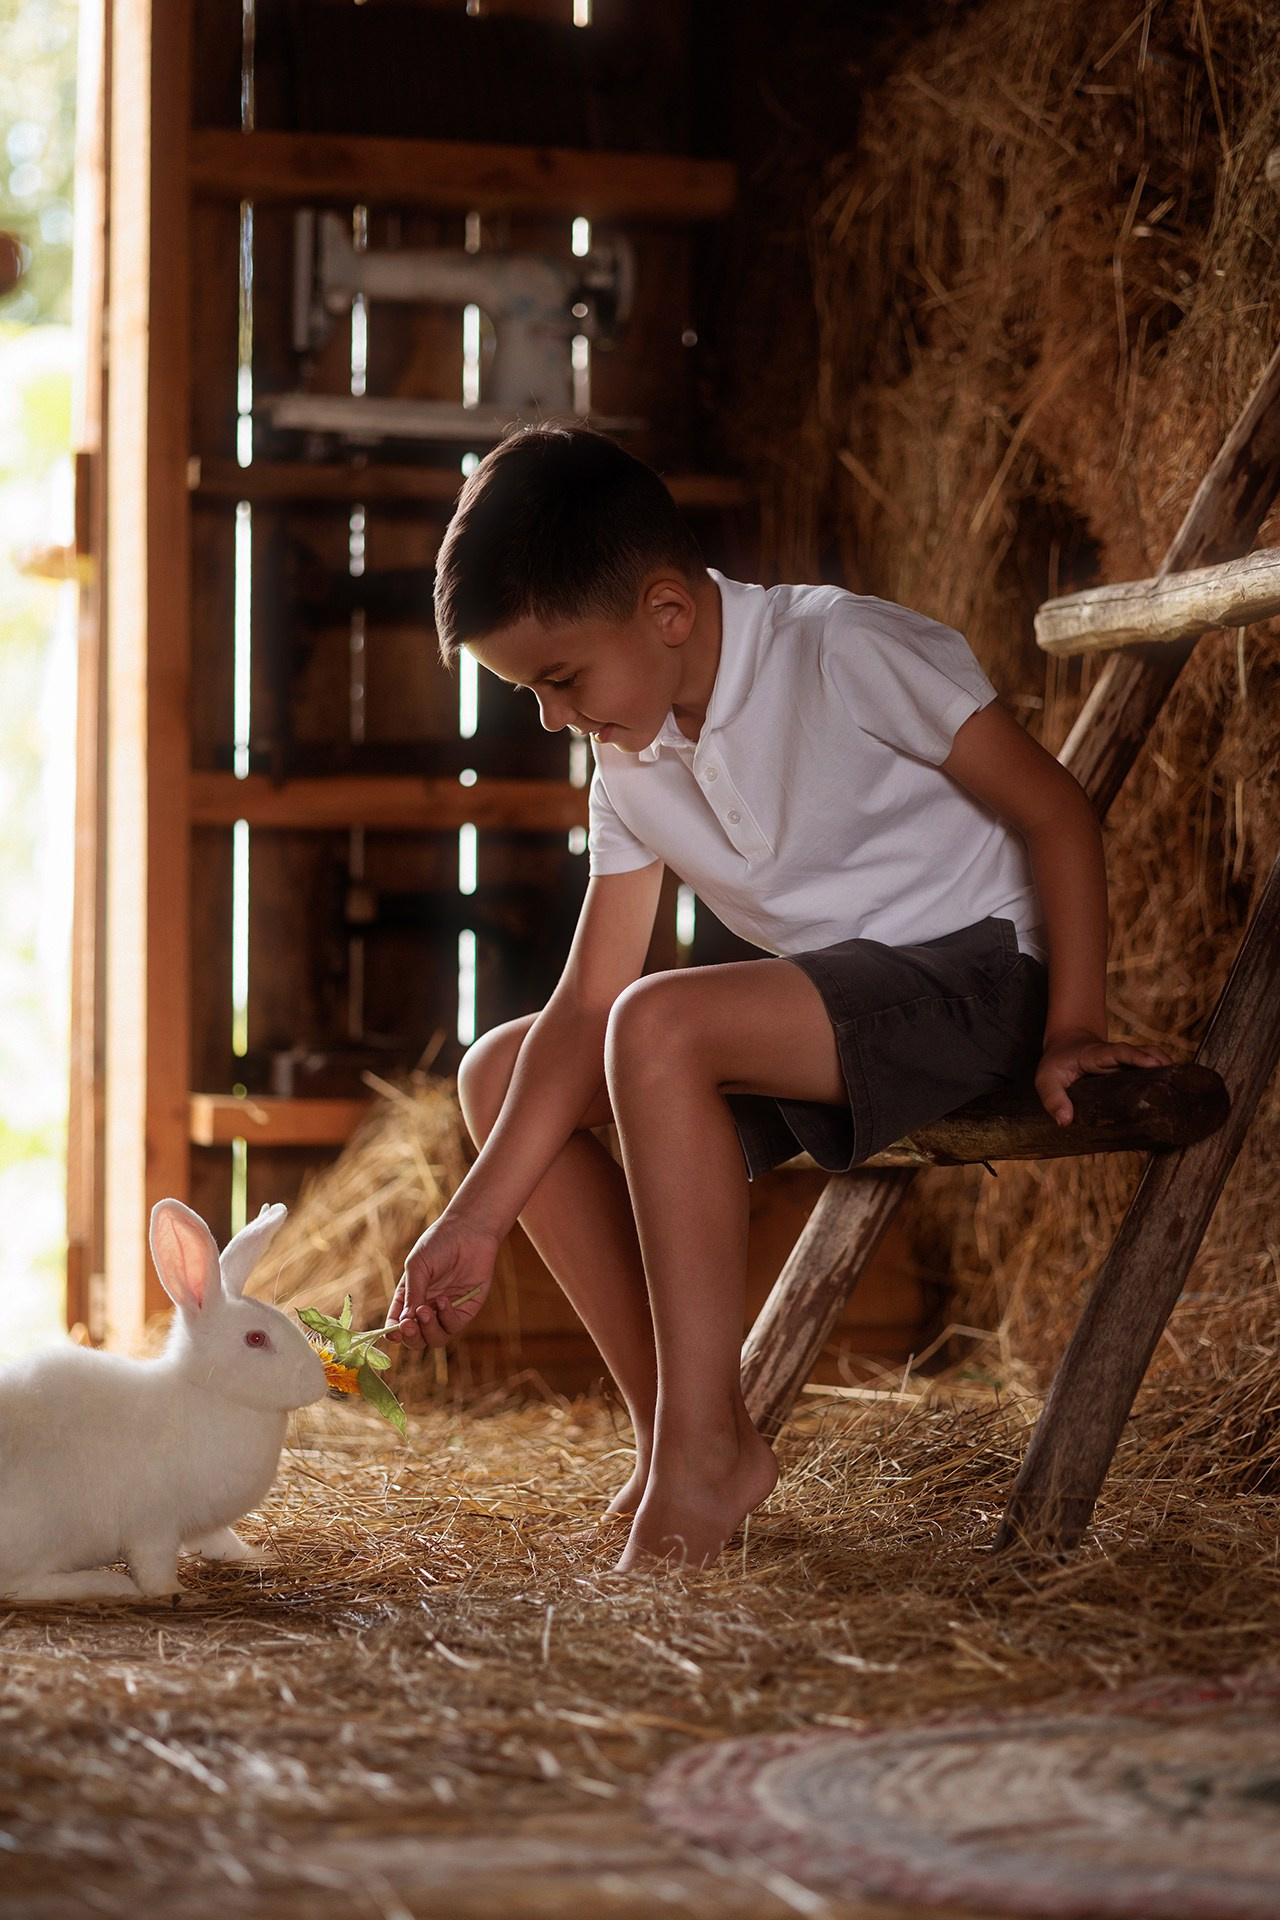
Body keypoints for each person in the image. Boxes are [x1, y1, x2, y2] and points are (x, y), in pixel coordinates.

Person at [384, 424, 1167, 1574]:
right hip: (832, 1014)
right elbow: (583, 1000)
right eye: (528, 693)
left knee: (659, 1024)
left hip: (983, 981)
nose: (553, 718)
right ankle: (684, 1446)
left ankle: (700, 1455)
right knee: (500, 1072)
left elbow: (1054, 813)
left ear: (665, 612)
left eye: (559, 681)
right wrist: (473, 1218)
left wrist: (1072, 1029)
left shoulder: (838, 649)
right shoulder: (631, 765)